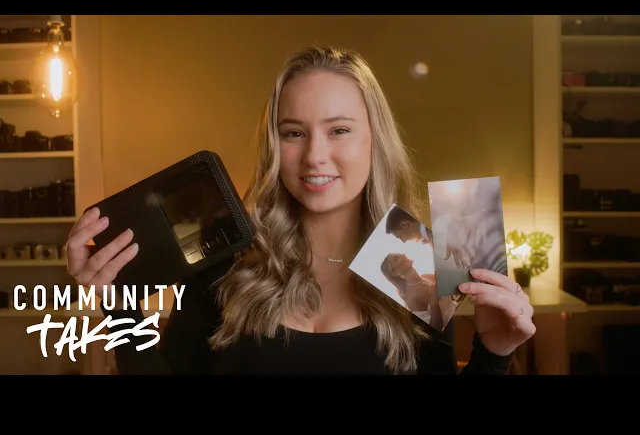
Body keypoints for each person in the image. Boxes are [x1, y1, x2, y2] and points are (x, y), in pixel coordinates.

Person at [65, 46, 535, 375]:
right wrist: (120, 309)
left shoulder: (424, 267)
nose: (314, 156)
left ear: (374, 140)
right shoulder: (224, 261)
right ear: (274, 146)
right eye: (293, 133)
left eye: (339, 130)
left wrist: (493, 354)